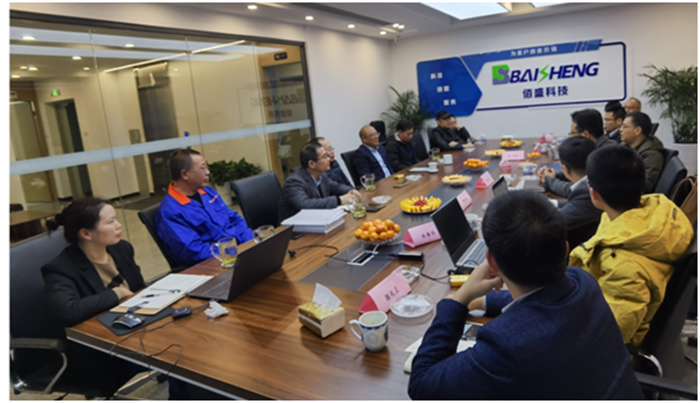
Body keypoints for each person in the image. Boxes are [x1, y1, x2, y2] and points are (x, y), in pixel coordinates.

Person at [408, 191, 642, 400]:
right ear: (565, 249)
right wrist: (484, 301)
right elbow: (544, 299)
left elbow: (421, 384)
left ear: (491, 263)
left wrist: (459, 299)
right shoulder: (584, 282)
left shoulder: (506, 346)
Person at [569, 146, 693, 345]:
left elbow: (609, 335)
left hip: (612, 346)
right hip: (593, 298)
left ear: (593, 193)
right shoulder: (657, 211)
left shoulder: (622, 266)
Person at [41, 198, 147, 395]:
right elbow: (68, 311)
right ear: (86, 234)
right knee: (177, 358)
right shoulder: (60, 269)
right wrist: (116, 293)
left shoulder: (122, 249)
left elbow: (139, 289)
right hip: (97, 350)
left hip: (131, 328)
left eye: (116, 219)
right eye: (111, 221)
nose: (119, 225)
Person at [156, 149, 254, 267]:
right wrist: (233, 251)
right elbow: (194, 252)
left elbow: (235, 219)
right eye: (202, 168)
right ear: (185, 174)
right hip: (214, 264)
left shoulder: (208, 192)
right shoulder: (170, 211)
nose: (208, 172)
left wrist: (249, 243)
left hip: (238, 253)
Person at [278, 142, 362, 222]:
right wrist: (339, 199)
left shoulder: (321, 174)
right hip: (295, 228)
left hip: (317, 220)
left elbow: (335, 186)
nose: (329, 159)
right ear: (311, 164)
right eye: (325, 157)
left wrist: (350, 191)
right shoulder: (294, 181)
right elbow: (305, 205)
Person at [539, 109, 611, 197]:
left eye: (573, 133)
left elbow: (578, 190)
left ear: (585, 135)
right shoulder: (598, 148)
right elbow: (581, 176)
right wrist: (555, 175)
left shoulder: (605, 156)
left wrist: (549, 180)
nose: (571, 137)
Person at [550, 136, 601, 247]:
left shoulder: (589, 190)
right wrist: (553, 203)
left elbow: (551, 223)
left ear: (565, 169)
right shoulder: (598, 178)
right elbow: (578, 203)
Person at [620, 112, 665, 193]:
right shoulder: (624, 147)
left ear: (637, 130)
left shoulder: (651, 154)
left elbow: (646, 185)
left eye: (624, 126)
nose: (620, 130)